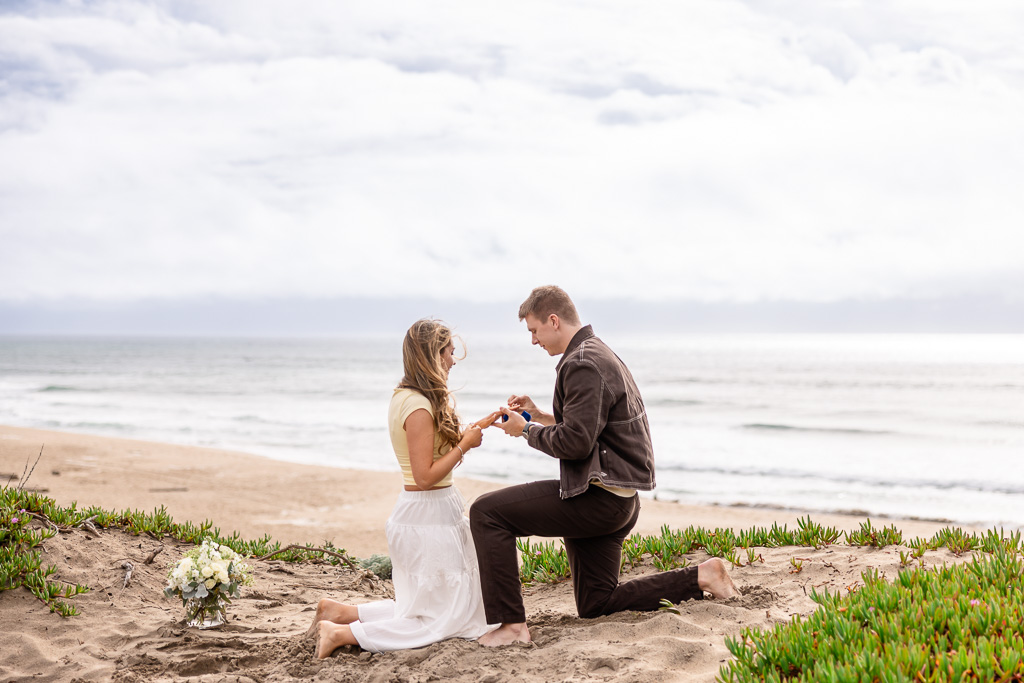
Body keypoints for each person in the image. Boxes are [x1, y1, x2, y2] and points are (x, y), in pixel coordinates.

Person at [470, 285, 739, 647]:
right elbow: (588, 427)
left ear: (553, 320)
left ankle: (512, 626)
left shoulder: (582, 362)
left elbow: (576, 444)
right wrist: (537, 416)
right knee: (598, 604)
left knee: (487, 513)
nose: (533, 340)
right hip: (617, 499)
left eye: (534, 330)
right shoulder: (595, 351)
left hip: (597, 500)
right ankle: (702, 576)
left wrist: (526, 431)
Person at [311, 319, 501, 657]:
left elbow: (432, 456)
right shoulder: (417, 405)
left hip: (432, 512)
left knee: (437, 608)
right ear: (433, 355)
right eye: (449, 353)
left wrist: (475, 428)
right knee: (443, 620)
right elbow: (424, 476)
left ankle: (339, 612)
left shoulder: (410, 396)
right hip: (427, 518)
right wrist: (465, 446)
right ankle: (341, 633)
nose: (453, 361)